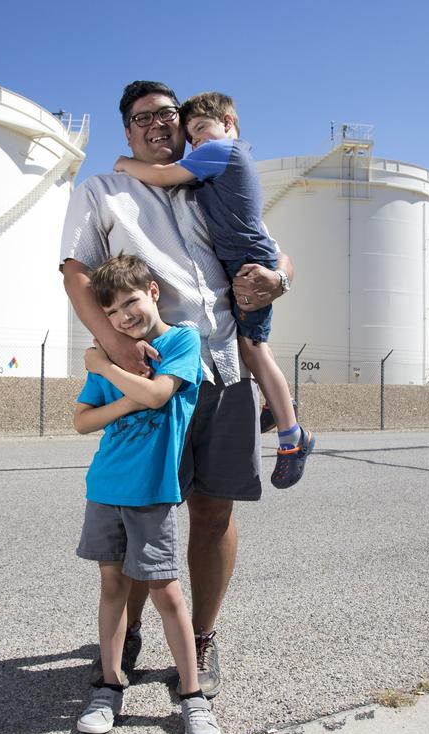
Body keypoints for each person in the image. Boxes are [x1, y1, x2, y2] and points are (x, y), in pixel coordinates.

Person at [60, 81, 293, 699]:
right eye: (143, 118)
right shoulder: (103, 191)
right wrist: (115, 349)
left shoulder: (210, 177)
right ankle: (129, 636)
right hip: (154, 372)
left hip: (223, 366)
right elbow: (77, 270)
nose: (157, 123)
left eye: (168, 113)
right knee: (145, 506)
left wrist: (277, 279)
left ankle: (203, 640)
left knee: (215, 510)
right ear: (128, 131)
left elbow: (274, 252)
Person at [113, 91, 314, 489]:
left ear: (229, 122)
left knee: (253, 349)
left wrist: (124, 163)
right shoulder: (218, 167)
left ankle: (293, 437)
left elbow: (165, 174)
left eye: (202, 129)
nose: (198, 141)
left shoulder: (223, 153)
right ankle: (278, 406)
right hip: (240, 261)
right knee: (252, 346)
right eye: (193, 137)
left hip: (247, 265)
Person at [71, 255, 220, 734]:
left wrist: (104, 368)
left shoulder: (181, 339)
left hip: (153, 492)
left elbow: (160, 396)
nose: (123, 317)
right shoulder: (110, 354)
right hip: (105, 487)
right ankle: (109, 685)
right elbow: (82, 421)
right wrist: (110, 373)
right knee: (112, 585)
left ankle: (192, 697)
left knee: (165, 592)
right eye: (111, 312)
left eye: (130, 301)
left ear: (152, 292)